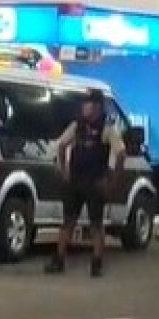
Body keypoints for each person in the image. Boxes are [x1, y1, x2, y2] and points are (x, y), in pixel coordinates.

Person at [48, 90, 125, 278]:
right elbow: (61, 145)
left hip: (95, 183)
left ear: (97, 107)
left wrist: (113, 178)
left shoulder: (107, 129)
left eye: (88, 104)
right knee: (68, 222)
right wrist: (63, 169)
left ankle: (96, 263)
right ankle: (58, 260)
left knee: (96, 225)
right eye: (84, 104)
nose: (84, 107)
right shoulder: (77, 126)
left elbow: (121, 152)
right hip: (76, 181)